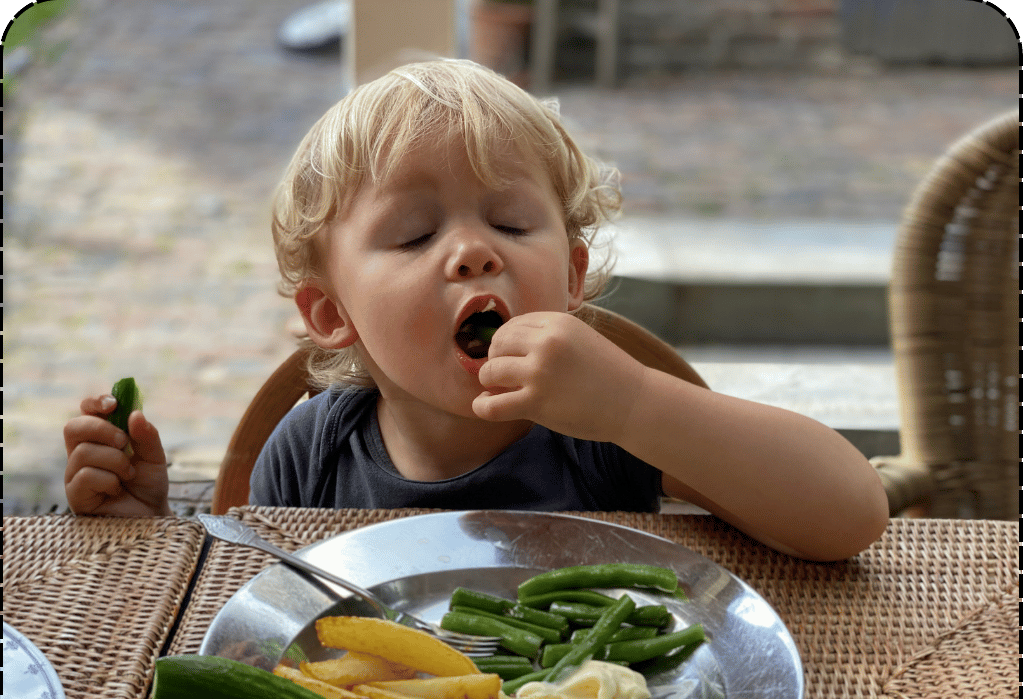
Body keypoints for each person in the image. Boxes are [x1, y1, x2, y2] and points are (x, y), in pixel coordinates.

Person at [63, 59, 888, 561]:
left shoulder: (598, 432)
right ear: (330, 313)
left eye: (510, 222)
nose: (471, 251)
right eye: (415, 234)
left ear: (568, 277)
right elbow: (254, 621)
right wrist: (148, 534)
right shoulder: (312, 452)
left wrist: (638, 405)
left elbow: (848, 515)